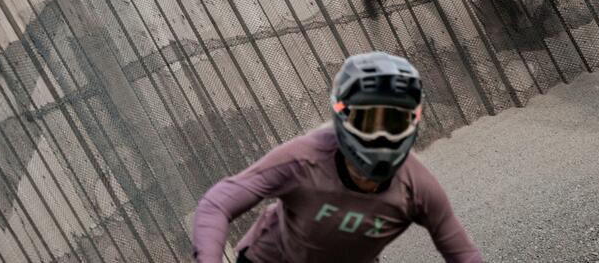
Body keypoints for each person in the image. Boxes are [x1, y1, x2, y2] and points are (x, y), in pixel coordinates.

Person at [191, 52, 483, 263]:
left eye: (393, 122)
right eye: (369, 121)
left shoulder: (418, 187)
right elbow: (218, 203)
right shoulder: (303, 159)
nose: (381, 137)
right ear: (342, 115)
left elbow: (464, 255)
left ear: (414, 121)